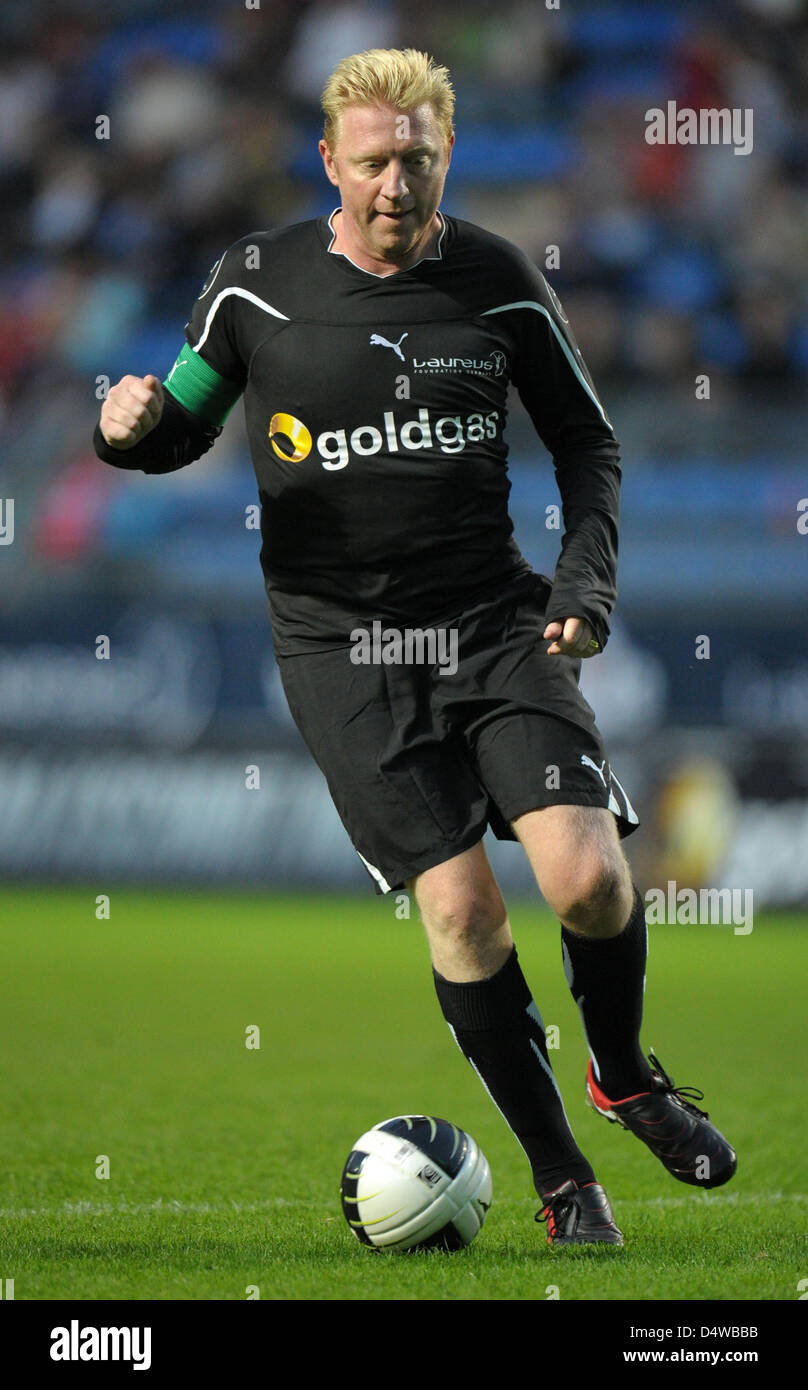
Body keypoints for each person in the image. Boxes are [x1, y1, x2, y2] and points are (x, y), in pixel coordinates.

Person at [93, 47, 736, 1246]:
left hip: (496, 621)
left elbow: (589, 446)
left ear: (447, 158)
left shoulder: (495, 279)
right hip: (343, 649)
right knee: (464, 919)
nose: (397, 183)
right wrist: (126, 429)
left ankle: (624, 1074)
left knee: (589, 881)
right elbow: (178, 418)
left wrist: (584, 584)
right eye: (376, 161)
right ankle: (561, 1178)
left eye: (419, 160)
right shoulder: (251, 283)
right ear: (329, 161)